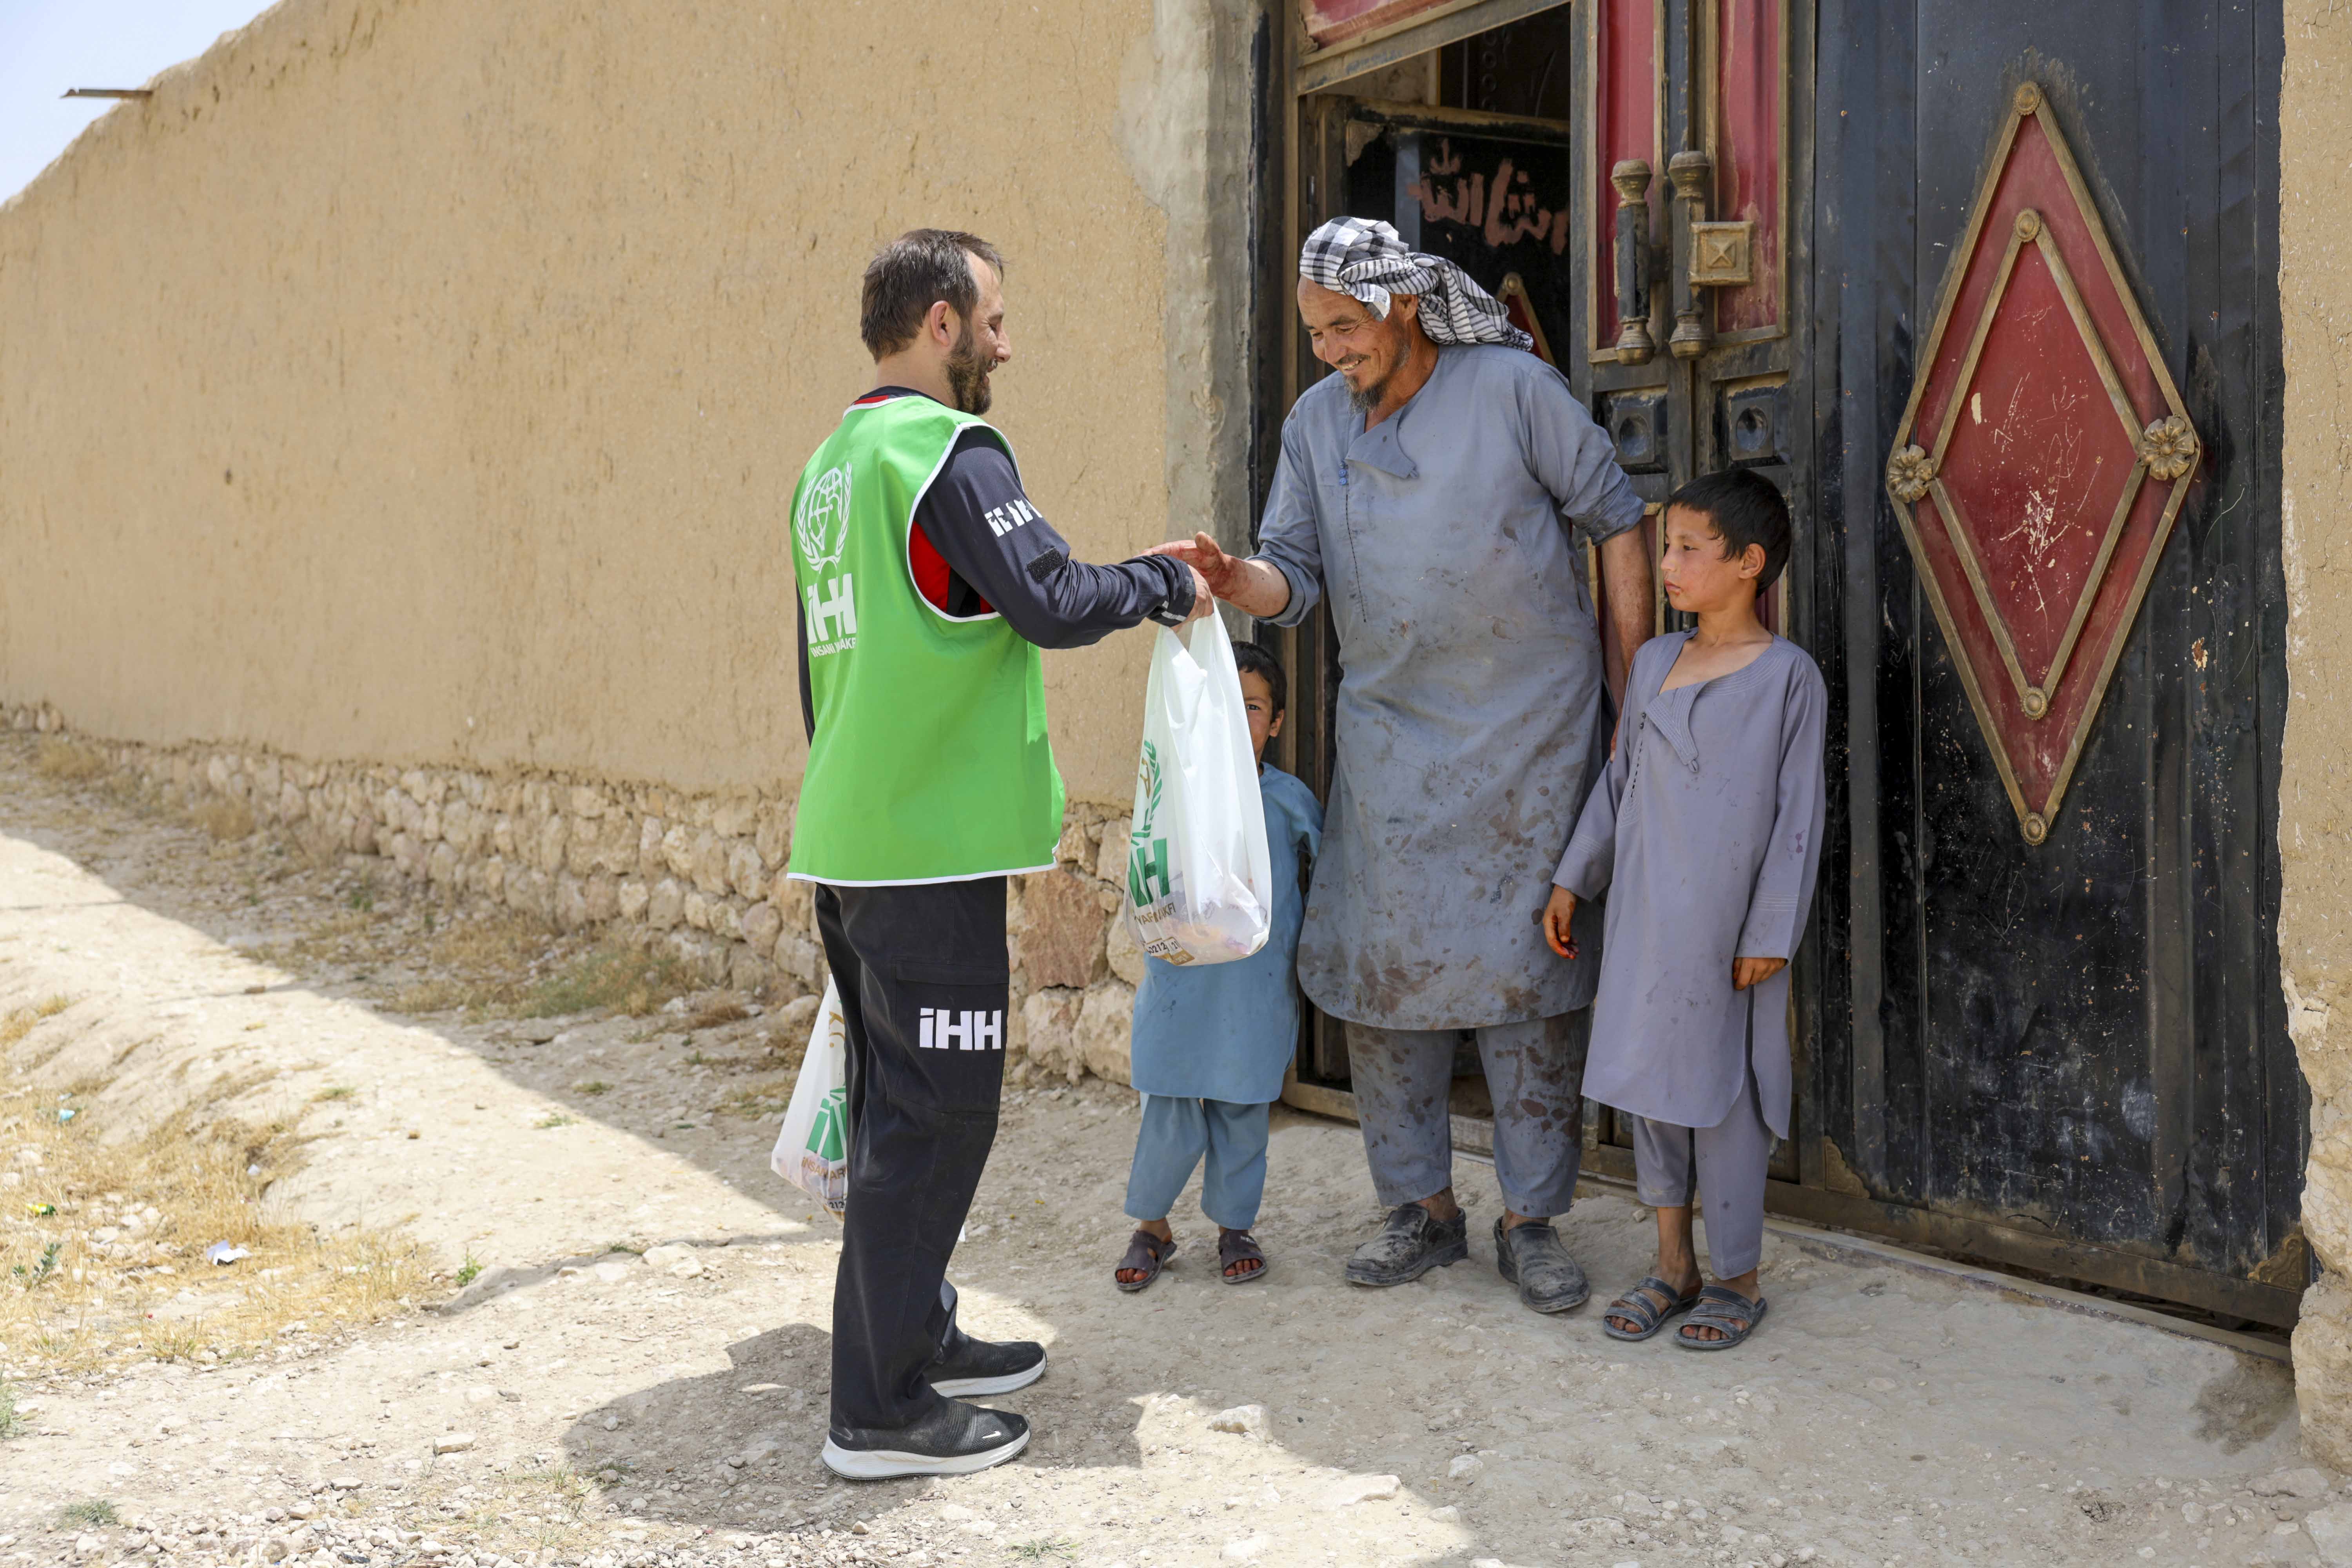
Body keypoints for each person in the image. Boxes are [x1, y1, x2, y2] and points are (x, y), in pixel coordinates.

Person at [1152, 218, 1651, 1314]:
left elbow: (1617, 519)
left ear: (1406, 304)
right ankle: (1420, 1208)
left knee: (1530, 988)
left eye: (1346, 327)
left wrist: (1635, 693)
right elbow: (1292, 577)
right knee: (1381, 984)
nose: (1331, 350)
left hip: (1534, 741)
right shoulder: (1314, 423)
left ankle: (1532, 1220)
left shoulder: (1513, 390)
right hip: (1390, 745)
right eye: (1316, 333)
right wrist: (1236, 579)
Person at [787, 229, 1213, 1479]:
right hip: (928, 848)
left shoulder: (831, 465)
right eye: (994, 320)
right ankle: (878, 1413)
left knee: (900, 1110)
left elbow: (819, 669)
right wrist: (1162, 583)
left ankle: (916, 1339)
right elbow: (1051, 597)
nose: (1006, 347)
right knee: (938, 1120)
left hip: (856, 835)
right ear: (941, 323)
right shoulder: (947, 450)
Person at [1544, 469, 1826, 1351]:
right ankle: (1673, 1265)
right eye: (1666, 547)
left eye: (1687, 549)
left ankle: (1737, 1276)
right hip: (1645, 922)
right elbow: (1619, 782)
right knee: (1653, 1094)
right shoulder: (1655, 663)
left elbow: (1800, 817)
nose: (1667, 564)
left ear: (1749, 563)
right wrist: (1573, 878)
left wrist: (1770, 931)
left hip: (1729, 932)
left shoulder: (1789, 679)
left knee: (1726, 1101)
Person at [1113, 642, 1322, 1292]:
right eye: (1224, 704)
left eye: (1252, 707)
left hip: (1254, 987)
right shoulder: (1175, 794)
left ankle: (1236, 1227)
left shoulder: (1289, 801)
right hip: (1181, 982)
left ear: (1277, 722)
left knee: (1243, 1106)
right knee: (1168, 1104)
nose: (1238, 718)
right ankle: (1152, 1226)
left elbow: (1328, 878)